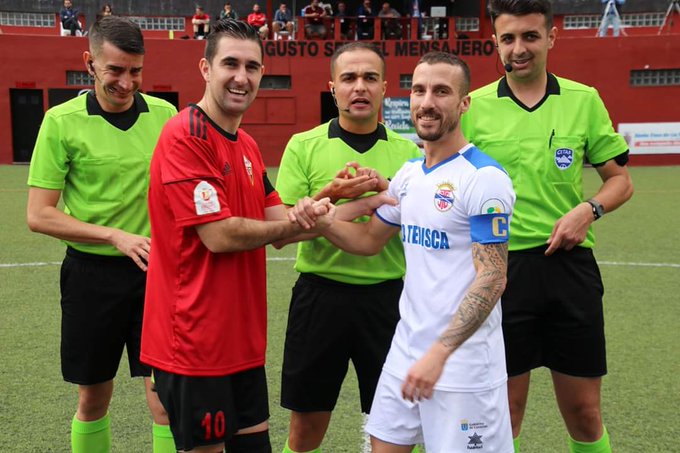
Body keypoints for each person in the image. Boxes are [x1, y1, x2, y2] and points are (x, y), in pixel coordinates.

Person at [290, 51, 515, 453]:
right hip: (405, 350)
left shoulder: (484, 179)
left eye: (442, 91)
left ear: (464, 103)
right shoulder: (409, 176)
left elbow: (493, 276)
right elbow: (368, 241)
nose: (427, 102)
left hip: (461, 362)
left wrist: (440, 353)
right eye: (419, 90)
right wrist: (321, 220)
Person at [460, 1, 634, 452]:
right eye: (508, 39)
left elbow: (620, 181)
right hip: (499, 272)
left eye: (530, 37)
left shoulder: (583, 100)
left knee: (584, 414)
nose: (519, 49)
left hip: (569, 271)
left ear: (551, 37)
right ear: (496, 43)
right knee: (505, 413)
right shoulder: (472, 107)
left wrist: (588, 210)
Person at [26, 15, 178, 453]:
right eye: (114, 70)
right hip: (90, 275)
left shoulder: (165, 115)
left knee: (165, 397)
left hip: (155, 273)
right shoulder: (61, 122)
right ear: (89, 63)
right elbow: (40, 215)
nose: (127, 82)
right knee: (93, 397)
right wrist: (115, 236)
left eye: (135, 71)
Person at [276, 42, 422, 453]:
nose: (360, 87)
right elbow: (281, 235)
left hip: (390, 302)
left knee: (396, 429)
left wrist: (377, 195)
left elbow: (402, 228)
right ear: (333, 87)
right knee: (305, 430)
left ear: (384, 88)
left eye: (370, 78)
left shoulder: (409, 155)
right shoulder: (302, 146)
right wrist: (345, 199)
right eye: (349, 78)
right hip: (319, 297)